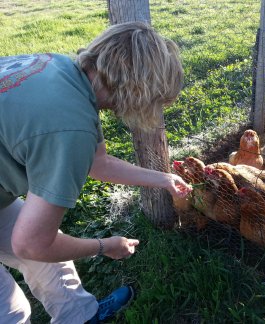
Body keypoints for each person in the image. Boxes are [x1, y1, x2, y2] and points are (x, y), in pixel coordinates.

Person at [0, 21, 192, 323]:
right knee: (11, 312)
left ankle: (81, 317)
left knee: (52, 267)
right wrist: (105, 246)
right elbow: (31, 243)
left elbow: (97, 162)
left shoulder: (62, 70)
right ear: (139, 91)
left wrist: (163, 179)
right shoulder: (69, 127)